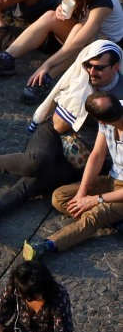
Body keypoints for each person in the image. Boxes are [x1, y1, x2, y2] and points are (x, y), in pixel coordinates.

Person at [0, 38, 120, 234]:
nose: (91, 72)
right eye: (88, 65)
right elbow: (58, 124)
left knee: (34, 183)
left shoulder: (119, 98)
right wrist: (78, 99)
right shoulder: (81, 82)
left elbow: (101, 152)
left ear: (115, 67)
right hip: (56, 133)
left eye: (98, 68)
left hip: (80, 158)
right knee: (36, 163)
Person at [0, 0, 123, 100]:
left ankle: (47, 77)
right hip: (82, 35)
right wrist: (60, 9)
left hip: (108, 48)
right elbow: (67, 7)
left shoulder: (102, 3)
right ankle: (7, 57)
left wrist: (46, 64)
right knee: (50, 16)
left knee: (78, 31)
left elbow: (79, 42)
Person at [26, 91, 123, 258]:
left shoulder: (111, 112)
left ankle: (48, 245)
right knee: (60, 197)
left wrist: (96, 199)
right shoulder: (109, 117)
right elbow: (97, 155)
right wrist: (82, 192)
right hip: (113, 179)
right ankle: (114, 220)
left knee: (94, 215)